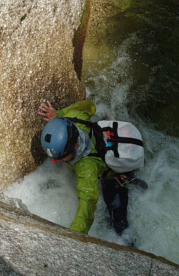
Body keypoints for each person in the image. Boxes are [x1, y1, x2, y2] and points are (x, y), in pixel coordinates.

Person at [36, 99, 142, 237]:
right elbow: (89, 106)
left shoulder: (87, 167)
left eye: (61, 157)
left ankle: (129, 247)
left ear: (75, 147)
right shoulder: (77, 117)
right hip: (123, 138)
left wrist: (73, 237)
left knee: (118, 225)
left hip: (116, 172)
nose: (57, 161)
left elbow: (87, 204)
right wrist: (59, 115)